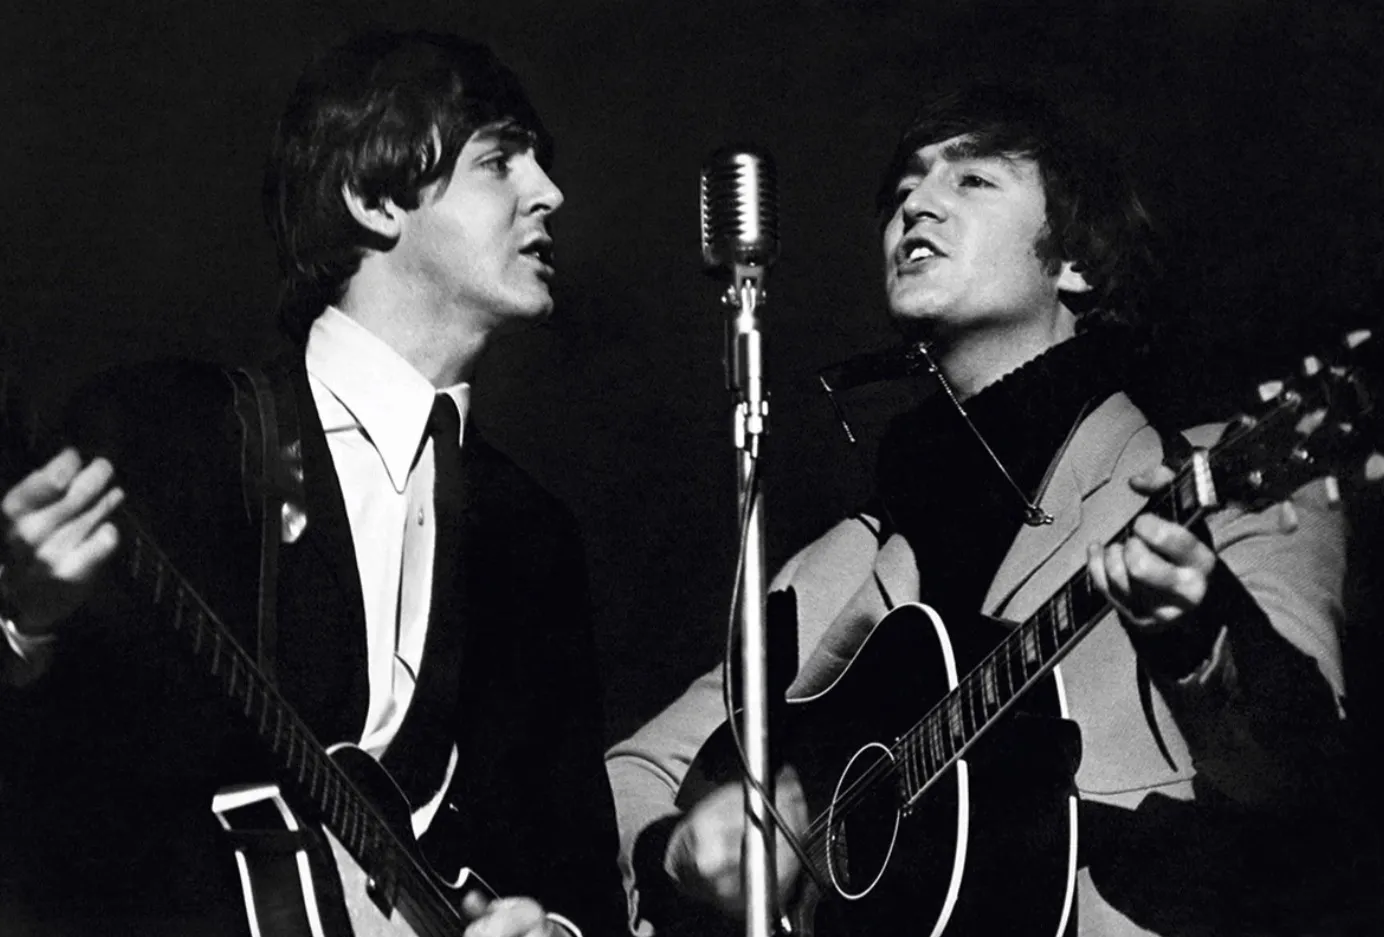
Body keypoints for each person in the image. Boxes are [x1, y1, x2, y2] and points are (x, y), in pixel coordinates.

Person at [606, 81, 1369, 935]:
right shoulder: (845, 560)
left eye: (972, 180)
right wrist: (678, 850)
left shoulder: (1204, 480)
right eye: (903, 191)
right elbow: (628, 770)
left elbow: (1303, 778)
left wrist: (1200, 637)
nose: (916, 204)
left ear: (1076, 262)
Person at [0, 28, 625, 937]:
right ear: (375, 200)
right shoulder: (164, 433)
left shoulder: (533, 535)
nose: (550, 191)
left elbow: (576, 877)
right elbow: (60, 801)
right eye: (500, 161)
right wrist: (20, 623)